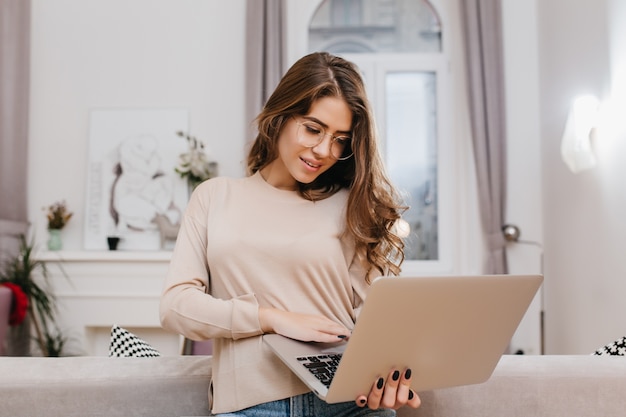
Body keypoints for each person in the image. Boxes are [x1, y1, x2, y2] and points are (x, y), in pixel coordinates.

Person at [160, 51, 421, 416]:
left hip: (347, 402)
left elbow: (378, 321)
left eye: (340, 140)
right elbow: (176, 307)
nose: (323, 151)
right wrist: (271, 318)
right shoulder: (214, 197)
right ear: (280, 116)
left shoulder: (354, 206)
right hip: (251, 406)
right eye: (313, 129)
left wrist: (391, 379)